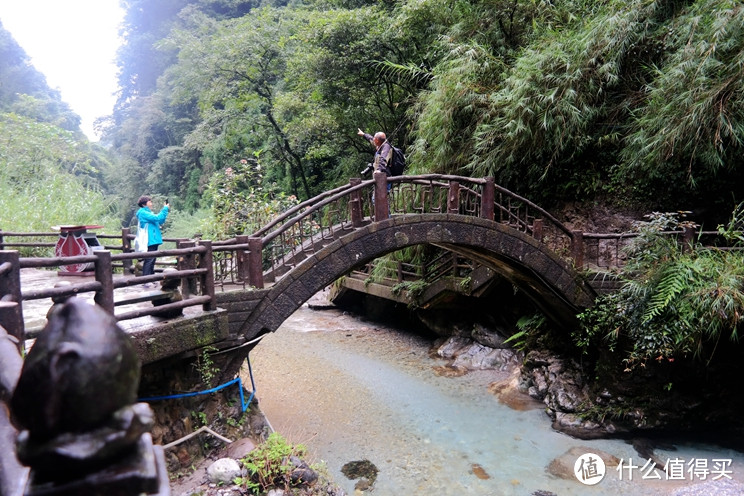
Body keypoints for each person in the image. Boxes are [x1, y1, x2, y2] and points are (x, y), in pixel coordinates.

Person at [136, 195, 170, 288]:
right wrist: (165, 209)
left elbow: (160, 220)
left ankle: (151, 277)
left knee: (152, 259)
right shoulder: (142, 212)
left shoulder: (149, 213)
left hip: (153, 238)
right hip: (149, 239)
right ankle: (146, 280)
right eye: (149, 201)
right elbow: (157, 218)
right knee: (149, 259)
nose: (151, 203)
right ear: (144, 204)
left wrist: (165, 210)